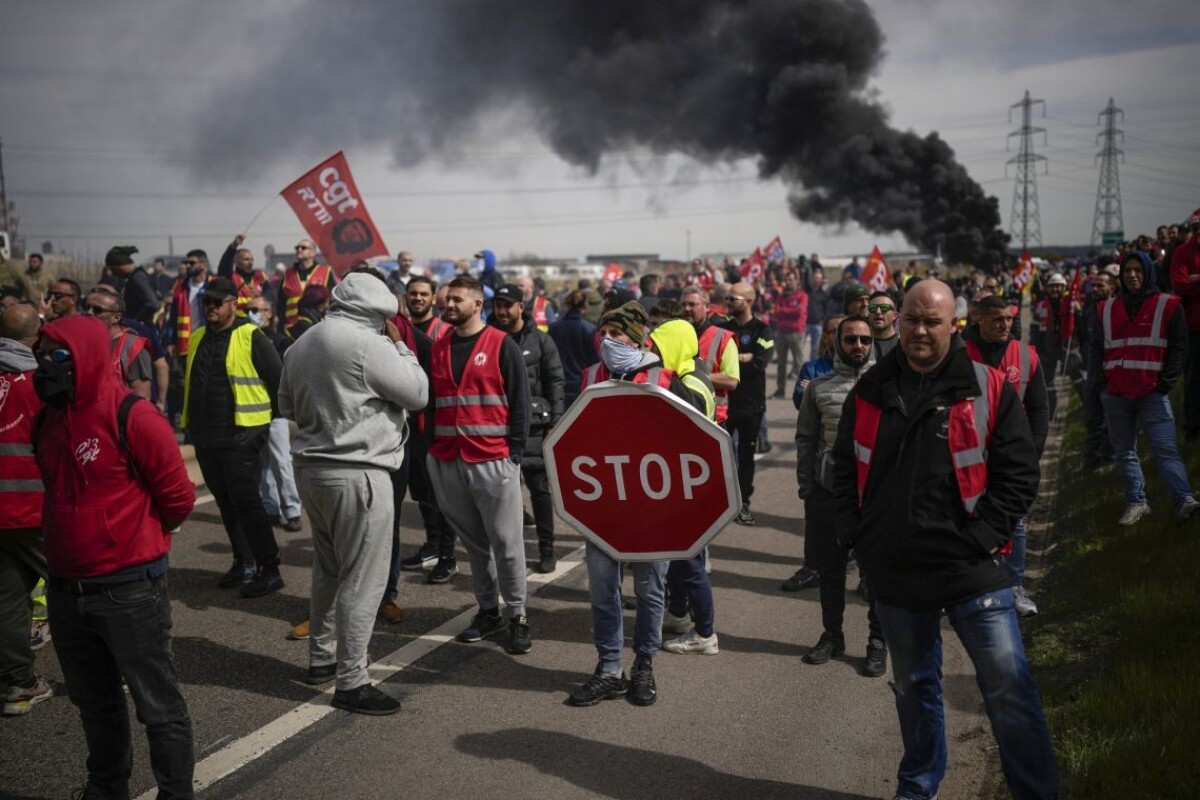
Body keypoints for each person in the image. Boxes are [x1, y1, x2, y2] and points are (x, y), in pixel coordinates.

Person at [832, 280, 1057, 800]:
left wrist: (982, 537)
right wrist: (856, 535)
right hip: (896, 573)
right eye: (911, 318)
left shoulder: (989, 386)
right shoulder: (870, 389)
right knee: (913, 690)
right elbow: (841, 468)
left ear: (953, 324)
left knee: (1009, 689)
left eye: (931, 321)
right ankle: (919, 786)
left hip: (971, 569)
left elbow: (1019, 475)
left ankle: (1035, 792)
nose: (918, 330)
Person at [34, 314, 196, 800]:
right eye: (41, 356)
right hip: (65, 590)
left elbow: (179, 500)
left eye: (57, 357)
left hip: (129, 591)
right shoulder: (49, 417)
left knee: (157, 705)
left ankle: (176, 793)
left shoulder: (136, 416)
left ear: (85, 357)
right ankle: (106, 788)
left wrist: (130, 541)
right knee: (94, 704)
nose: (45, 367)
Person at [278, 273, 427, 715]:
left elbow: (286, 405)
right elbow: (417, 394)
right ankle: (353, 680)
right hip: (359, 470)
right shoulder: (370, 344)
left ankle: (322, 658)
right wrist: (401, 347)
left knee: (329, 570)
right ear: (379, 311)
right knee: (364, 580)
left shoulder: (301, 343)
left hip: (312, 468)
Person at [566, 304, 702, 708]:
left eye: (618, 333)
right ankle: (609, 669)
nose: (609, 340)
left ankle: (644, 665)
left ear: (638, 338)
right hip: (604, 510)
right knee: (603, 592)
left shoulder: (666, 379)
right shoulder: (590, 376)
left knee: (649, 590)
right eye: (604, 330)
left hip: (652, 511)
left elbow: (691, 442)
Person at [425, 276, 532, 655]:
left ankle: (517, 615)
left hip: (493, 457)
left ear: (476, 304)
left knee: (507, 543)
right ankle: (488, 612)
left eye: (456, 300)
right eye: (446, 299)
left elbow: (520, 401)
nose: (447, 305)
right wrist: (432, 453)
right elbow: (432, 403)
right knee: (474, 545)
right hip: (448, 457)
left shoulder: (501, 344)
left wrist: (514, 452)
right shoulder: (439, 347)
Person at [182, 277, 285, 596]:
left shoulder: (251, 335)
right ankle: (244, 562)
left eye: (217, 301)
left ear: (233, 303)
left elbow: (277, 379)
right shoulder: (198, 336)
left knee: (247, 502)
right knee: (226, 503)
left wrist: (265, 425)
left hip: (243, 434)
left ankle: (270, 568)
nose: (210, 306)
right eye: (206, 302)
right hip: (206, 436)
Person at [796, 315, 885, 676]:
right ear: (837, 343)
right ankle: (832, 635)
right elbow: (805, 441)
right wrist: (807, 489)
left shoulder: (888, 385)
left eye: (865, 340)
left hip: (876, 499)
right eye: (851, 339)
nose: (858, 346)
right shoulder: (818, 389)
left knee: (876, 576)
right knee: (831, 573)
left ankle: (878, 642)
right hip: (829, 497)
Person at [1090, 251, 1200, 525]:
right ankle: (1137, 503)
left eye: (1138, 270)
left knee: (1165, 449)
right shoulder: (1105, 308)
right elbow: (1095, 349)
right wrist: (1102, 384)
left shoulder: (1169, 305)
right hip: (1116, 393)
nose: (1132, 275)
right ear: (1121, 275)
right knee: (1125, 452)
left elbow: (1179, 348)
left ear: (1148, 272)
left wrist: (1166, 383)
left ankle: (1183, 499)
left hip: (1152, 392)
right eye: (1127, 270)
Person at [963, 295, 1050, 619]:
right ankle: (965, 585)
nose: (1005, 325)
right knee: (965, 518)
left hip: (1011, 457)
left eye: (1009, 319)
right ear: (979, 319)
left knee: (1016, 521)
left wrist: (1033, 450)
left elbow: (1040, 409)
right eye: (997, 319)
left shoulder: (1026, 356)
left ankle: (1014, 587)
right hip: (967, 455)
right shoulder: (958, 354)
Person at [491, 284, 565, 573]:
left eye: (507, 305)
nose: (502, 311)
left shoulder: (542, 342)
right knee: (500, 494)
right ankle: (508, 554)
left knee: (539, 491)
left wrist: (555, 424)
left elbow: (556, 383)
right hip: (498, 428)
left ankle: (547, 549)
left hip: (535, 428)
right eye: (498, 305)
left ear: (521, 307)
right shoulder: (489, 339)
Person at [0, 304, 51, 717]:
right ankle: (121, 670)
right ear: (38, 335)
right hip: (36, 510)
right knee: (86, 589)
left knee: (8, 600)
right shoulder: (41, 384)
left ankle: (18, 685)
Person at [719, 282, 774, 525]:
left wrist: (734, 360)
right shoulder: (722, 328)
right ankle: (721, 501)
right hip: (724, 402)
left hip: (751, 405)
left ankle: (743, 502)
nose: (728, 303)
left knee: (746, 456)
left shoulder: (763, 330)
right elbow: (716, 361)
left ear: (749, 301)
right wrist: (742, 357)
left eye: (733, 299)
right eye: (727, 298)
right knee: (720, 455)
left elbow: (758, 364)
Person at [246, 298, 302, 532]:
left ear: (269, 312)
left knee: (281, 460)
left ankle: (292, 510)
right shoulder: (246, 339)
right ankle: (271, 508)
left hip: (275, 411)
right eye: (250, 309)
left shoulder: (280, 341)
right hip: (253, 410)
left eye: (257, 309)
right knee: (264, 463)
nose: (253, 313)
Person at [81, 288, 153, 401]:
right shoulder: (82, 343)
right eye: (86, 307)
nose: (88, 313)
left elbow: (141, 398)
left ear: (116, 317)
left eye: (97, 310)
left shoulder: (132, 347)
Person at [681, 286, 740, 424]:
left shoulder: (723, 337)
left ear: (707, 307)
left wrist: (690, 377)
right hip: (681, 414)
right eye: (683, 304)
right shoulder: (675, 336)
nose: (686, 309)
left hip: (712, 420)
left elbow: (731, 380)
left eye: (692, 304)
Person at [1075, 272, 1115, 470]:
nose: (1096, 289)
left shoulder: (1118, 309)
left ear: (1111, 288)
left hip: (1111, 373)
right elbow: (1084, 339)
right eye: (1094, 286)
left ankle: (1108, 460)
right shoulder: (1089, 311)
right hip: (1092, 371)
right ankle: (1090, 463)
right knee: (1092, 419)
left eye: (1101, 286)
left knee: (1111, 419)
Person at [1169, 213, 1200, 441]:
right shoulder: (1183, 252)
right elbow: (1180, 286)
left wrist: (1196, 279)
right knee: (1194, 379)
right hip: (1194, 326)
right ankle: (1193, 429)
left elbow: (1189, 284)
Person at [1032, 272, 1077, 420]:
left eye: (1058, 286)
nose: (1055, 289)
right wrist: (1036, 351)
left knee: (1076, 376)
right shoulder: (1040, 306)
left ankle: (1083, 410)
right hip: (1047, 348)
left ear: (1063, 287)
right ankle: (1052, 412)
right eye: (1052, 287)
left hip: (1066, 347)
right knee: (1048, 383)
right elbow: (1035, 330)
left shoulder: (1070, 305)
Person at [549, 289, 600, 407]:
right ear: (585, 305)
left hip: (558, 384)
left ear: (567, 304)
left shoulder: (553, 328)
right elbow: (594, 362)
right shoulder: (590, 329)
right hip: (581, 385)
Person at [277, 239, 336, 327]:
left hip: (318, 325)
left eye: (303, 248)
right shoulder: (287, 273)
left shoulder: (325, 271)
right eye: (297, 248)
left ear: (313, 253)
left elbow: (332, 300)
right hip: (292, 326)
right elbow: (280, 302)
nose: (299, 250)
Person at [771, 274, 808, 399]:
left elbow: (799, 312)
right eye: (786, 280)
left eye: (790, 280)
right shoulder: (781, 296)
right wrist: (789, 311)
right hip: (782, 333)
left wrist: (784, 311)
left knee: (799, 364)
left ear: (796, 282)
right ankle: (780, 391)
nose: (788, 282)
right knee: (781, 364)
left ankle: (802, 392)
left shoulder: (802, 296)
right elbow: (776, 312)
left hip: (796, 333)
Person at [104, 246, 158, 326]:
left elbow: (152, 303)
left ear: (121, 266)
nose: (114, 274)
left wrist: (135, 323)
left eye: (114, 270)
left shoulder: (138, 278)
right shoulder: (132, 278)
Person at [217, 234, 271, 313]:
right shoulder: (230, 277)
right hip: (238, 321)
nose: (250, 262)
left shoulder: (260, 277)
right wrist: (233, 246)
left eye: (252, 260)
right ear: (236, 261)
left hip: (257, 320)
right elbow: (224, 266)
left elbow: (271, 295)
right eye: (246, 259)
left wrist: (262, 295)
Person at [406, 276, 451, 341]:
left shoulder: (445, 330)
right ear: (405, 297)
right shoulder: (400, 328)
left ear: (434, 299)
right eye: (413, 294)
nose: (418, 298)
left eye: (424, 294)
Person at [866, 291, 899, 360]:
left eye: (884, 308)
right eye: (873, 308)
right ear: (868, 315)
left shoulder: (903, 344)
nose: (878, 312)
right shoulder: (860, 343)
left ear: (895, 315)